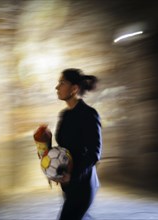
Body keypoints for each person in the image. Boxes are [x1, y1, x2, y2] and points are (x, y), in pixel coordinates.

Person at [55, 68, 102, 220]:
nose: (57, 87)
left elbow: (94, 153)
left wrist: (72, 175)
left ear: (74, 89)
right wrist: (45, 143)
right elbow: (63, 149)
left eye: (62, 83)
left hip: (83, 184)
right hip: (68, 185)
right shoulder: (64, 115)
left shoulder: (89, 114)